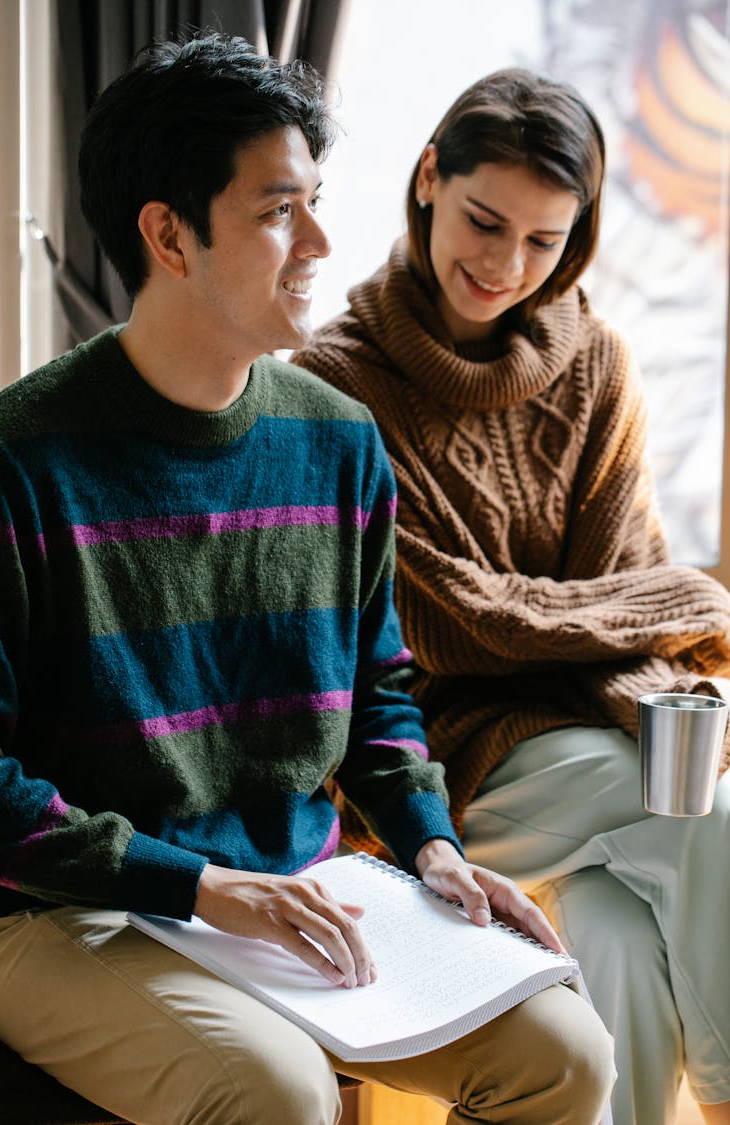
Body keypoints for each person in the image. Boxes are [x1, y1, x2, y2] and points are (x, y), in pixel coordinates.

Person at [0, 36, 614, 1125]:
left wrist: (432, 847)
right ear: (169, 233)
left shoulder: (339, 445)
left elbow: (378, 696)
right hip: (59, 909)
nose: (322, 241)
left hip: (297, 890)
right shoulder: (14, 461)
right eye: (280, 212)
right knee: (274, 1092)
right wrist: (199, 888)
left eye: (317, 202)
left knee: (567, 1054)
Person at [293, 66, 730, 1125]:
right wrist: (676, 602)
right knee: (704, 818)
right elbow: (451, 622)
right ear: (430, 178)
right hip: (431, 766)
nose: (504, 264)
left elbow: (618, 584)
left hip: (588, 742)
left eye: (542, 241)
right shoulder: (339, 383)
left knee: (615, 936)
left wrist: (643, 608)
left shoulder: (598, 366)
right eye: (486, 222)